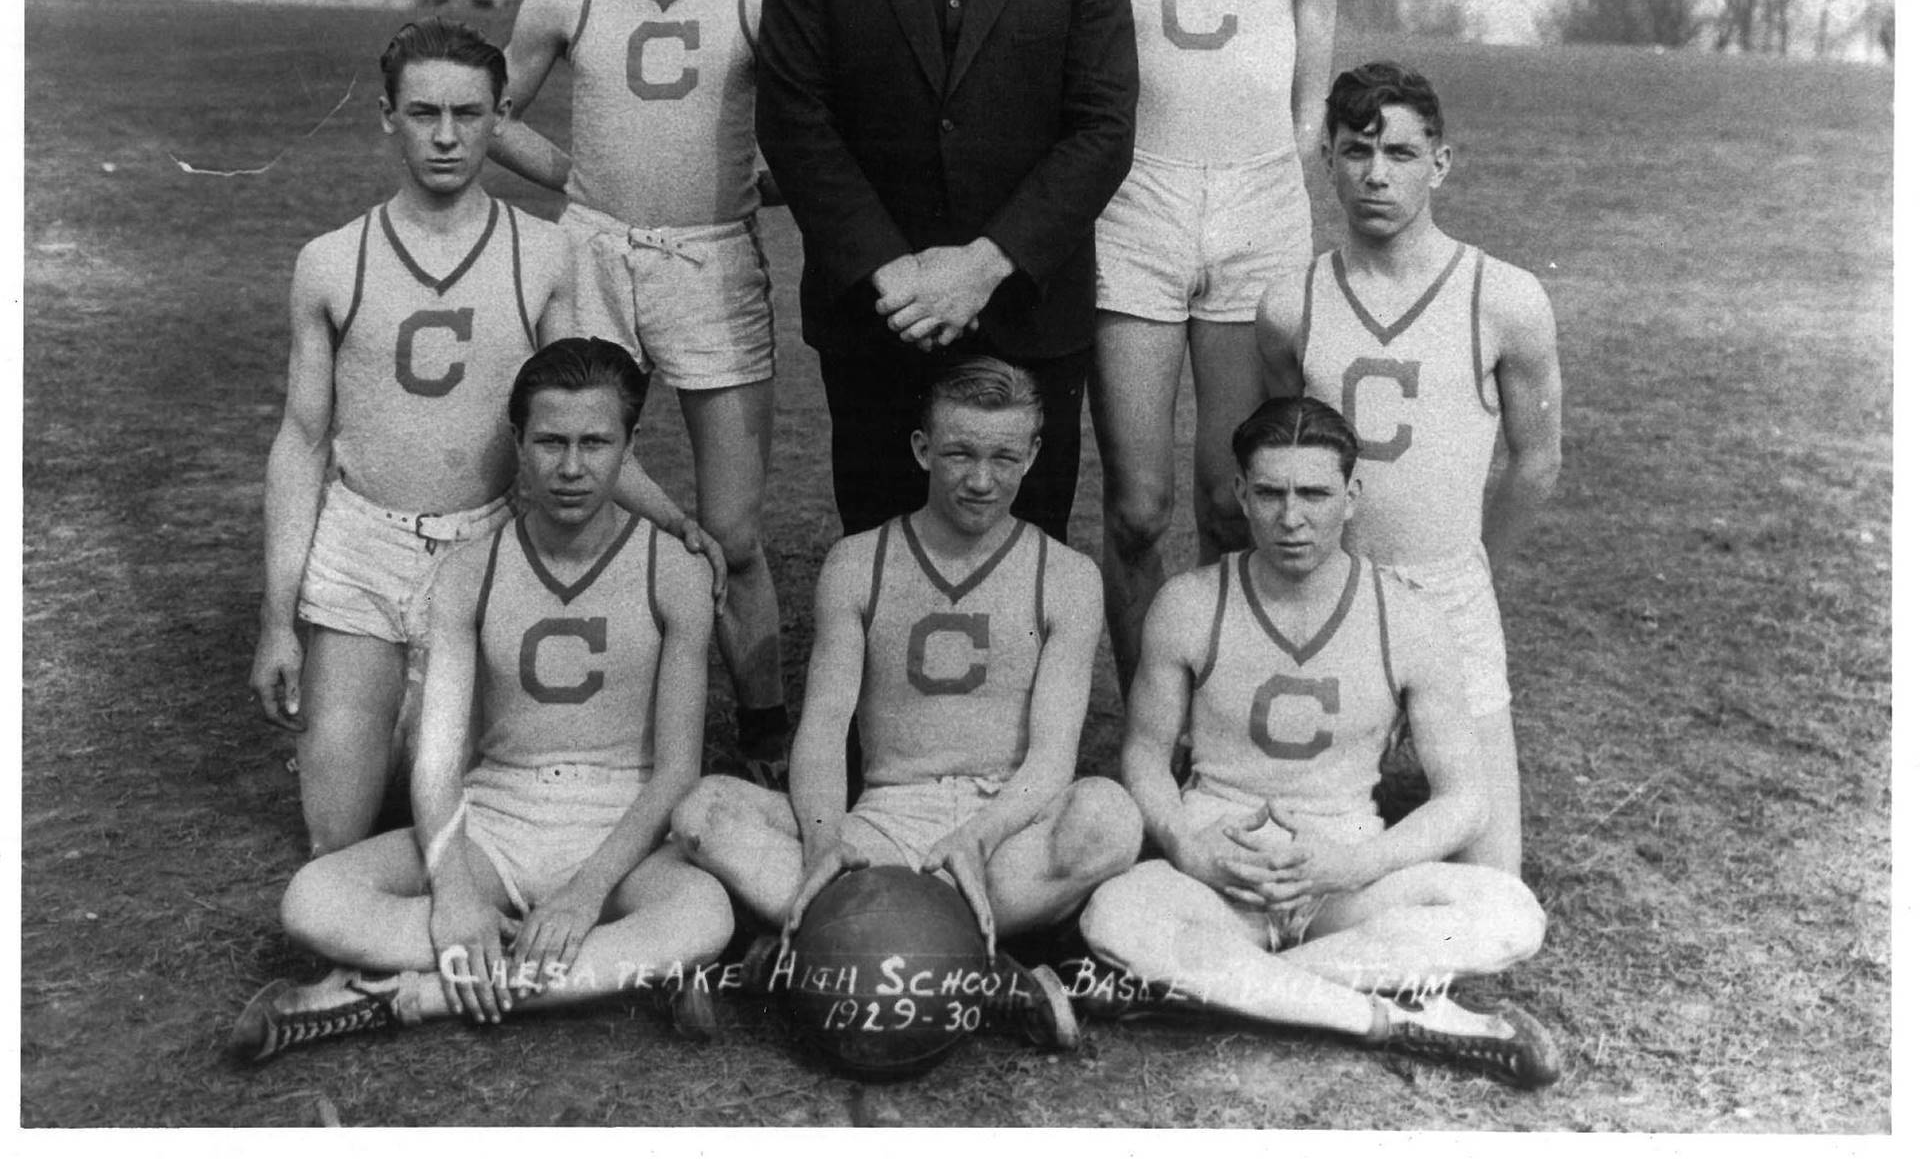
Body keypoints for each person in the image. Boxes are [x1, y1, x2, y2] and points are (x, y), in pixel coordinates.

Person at [248, 19, 716, 857]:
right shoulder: (328, 261)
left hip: (494, 548)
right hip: (364, 546)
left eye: (469, 114)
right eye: (422, 112)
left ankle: (421, 727)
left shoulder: (544, 255)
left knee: (479, 818)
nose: (446, 136)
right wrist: (278, 619)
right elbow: (302, 443)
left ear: (501, 116)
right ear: (386, 114)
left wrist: (673, 518)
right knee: (335, 830)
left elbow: (578, 416)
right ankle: (364, 717)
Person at [231, 339, 733, 1062]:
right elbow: (435, 765)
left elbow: (677, 770)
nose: (570, 467)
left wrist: (586, 893)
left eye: (595, 443)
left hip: (620, 832)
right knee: (312, 900)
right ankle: (615, 971)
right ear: (517, 443)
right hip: (498, 820)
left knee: (702, 910)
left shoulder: (672, 571)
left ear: (629, 445)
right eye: (549, 442)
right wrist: (458, 890)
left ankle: (400, 997)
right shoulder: (471, 570)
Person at [756, 0, 1138, 542]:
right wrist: (892, 272)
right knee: (881, 554)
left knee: (1023, 557)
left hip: (1028, 313)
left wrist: (983, 265)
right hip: (875, 318)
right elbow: (792, 118)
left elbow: (1104, 129)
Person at [1079, 396, 1560, 1089]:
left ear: (1352, 494)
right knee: (1117, 913)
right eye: (1270, 493)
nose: (1292, 517)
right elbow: (1145, 757)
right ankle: (1392, 1020)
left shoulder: (1409, 617)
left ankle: (1221, 990)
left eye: (1314, 493)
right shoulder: (1190, 603)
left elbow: (1464, 800)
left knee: (1509, 913)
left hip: (1346, 883)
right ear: (1241, 493)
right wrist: (1189, 847)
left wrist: (1354, 865)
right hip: (1221, 876)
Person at [672, 358, 1143, 1049]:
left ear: (1035, 454)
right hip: (883, 829)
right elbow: (825, 728)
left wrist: (978, 839)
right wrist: (828, 839)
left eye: (1004, 457)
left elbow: (1052, 759)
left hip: (1001, 831)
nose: (980, 479)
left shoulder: (1066, 577)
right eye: (958, 453)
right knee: (704, 812)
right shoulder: (859, 561)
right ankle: (988, 974)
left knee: (1110, 818)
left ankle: (816, 953)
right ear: (923, 449)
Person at [493, 0, 788, 780]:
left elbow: (815, 135)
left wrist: (765, 180)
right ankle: (582, 724)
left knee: (737, 530)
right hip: (594, 252)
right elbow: (490, 114)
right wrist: (585, 176)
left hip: (712, 265)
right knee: (573, 491)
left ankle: (763, 739)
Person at [1255, 62, 1563, 873]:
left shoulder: (1504, 297)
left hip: (1448, 591)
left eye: (1399, 152)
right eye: (1356, 152)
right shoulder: (1292, 304)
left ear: (1441, 162)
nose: (1377, 174)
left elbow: (1536, 464)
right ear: (1327, 158)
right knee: (1281, 871)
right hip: (1325, 593)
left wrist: (1472, 567)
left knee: (1496, 888)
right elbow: (1277, 463)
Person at [1093, 0, 1339, 694]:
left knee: (1231, 500)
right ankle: (1155, 718)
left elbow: (1311, 98)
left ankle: (1224, 714)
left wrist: (1275, 180)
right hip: (1137, 210)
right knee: (1139, 507)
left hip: (1258, 209)